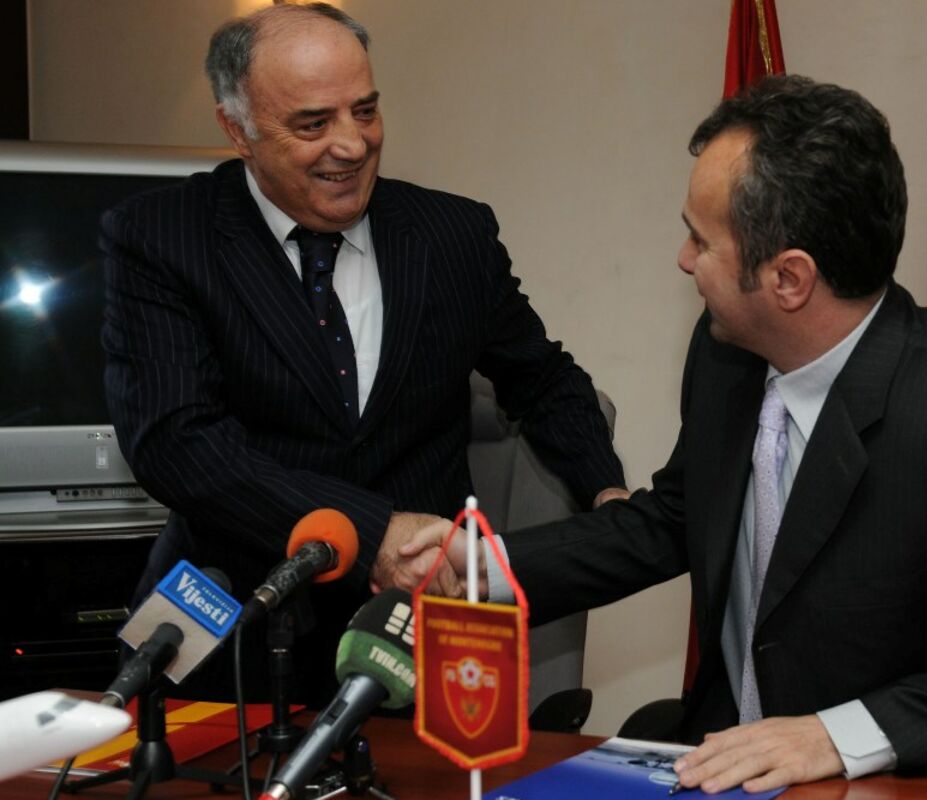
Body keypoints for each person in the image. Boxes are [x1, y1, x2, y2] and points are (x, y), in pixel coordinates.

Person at [405, 75, 927, 799]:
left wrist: (834, 735)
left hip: (895, 783)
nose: (683, 258)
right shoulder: (729, 356)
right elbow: (676, 518)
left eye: (701, 239)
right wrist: (484, 564)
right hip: (722, 766)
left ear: (789, 278)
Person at [101, 2, 626, 703]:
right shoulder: (162, 237)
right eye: (313, 124)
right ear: (238, 130)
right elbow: (176, 443)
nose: (351, 145)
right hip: (238, 623)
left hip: (413, 635)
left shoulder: (452, 235)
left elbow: (544, 379)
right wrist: (373, 532)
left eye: (366, 111)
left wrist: (608, 491)